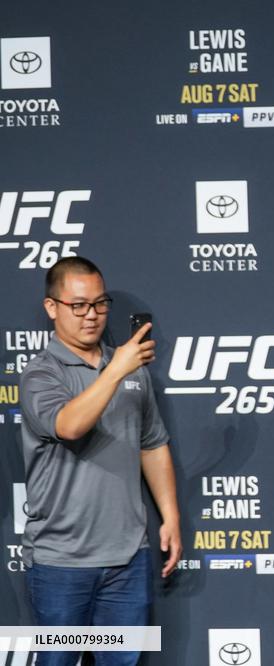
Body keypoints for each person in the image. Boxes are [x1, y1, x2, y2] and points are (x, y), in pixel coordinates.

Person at [19, 257, 181, 666]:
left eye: (100, 304)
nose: (91, 316)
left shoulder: (133, 371)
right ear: (52, 307)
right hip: (61, 561)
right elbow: (70, 425)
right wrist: (115, 370)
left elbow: (152, 444)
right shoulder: (42, 374)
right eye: (78, 306)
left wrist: (170, 516)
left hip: (128, 556)